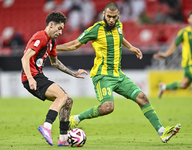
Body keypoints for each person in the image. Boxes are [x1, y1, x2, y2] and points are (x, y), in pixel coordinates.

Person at [56, 2, 181, 143]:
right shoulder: (96, 29)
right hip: (102, 76)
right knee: (108, 107)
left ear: (118, 16)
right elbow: (75, 44)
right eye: (108, 16)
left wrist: (131, 47)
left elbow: (119, 37)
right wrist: (54, 48)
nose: (111, 19)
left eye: (114, 17)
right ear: (103, 14)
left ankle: (162, 131)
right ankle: (75, 119)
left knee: (142, 98)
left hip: (118, 75)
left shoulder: (119, 25)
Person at [21, 11, 88, 146]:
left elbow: (55, 62)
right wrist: (30, 78)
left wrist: (72, 73)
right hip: (33, 77)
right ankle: (46, 126)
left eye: (62, 29)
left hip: (37, 76)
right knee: (62, 96)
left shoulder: (51, 42)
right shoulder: (41, 36)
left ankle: (63, 140)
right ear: (51, 25)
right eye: (59, 28)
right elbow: (25, 58)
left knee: (67, 100)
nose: (60, 32)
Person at [153, 11, 192, 98]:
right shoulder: (184, 32)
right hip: (189, 63)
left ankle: (164, 87)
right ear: (188, 19)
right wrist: (166, 54)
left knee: (183, 85)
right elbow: (175, 45)